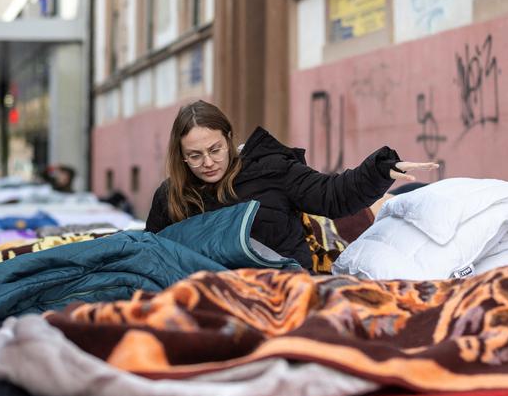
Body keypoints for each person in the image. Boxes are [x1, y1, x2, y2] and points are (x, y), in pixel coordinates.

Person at [145, 100, 438, 270]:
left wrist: (379, 170)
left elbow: (332, 195)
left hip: (287, 288)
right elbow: (151, 258)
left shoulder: (271, 168)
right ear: (181, 157)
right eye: (195, 156)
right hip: (216, 299)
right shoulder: (170, 198)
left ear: (229, 139)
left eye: (215, 150)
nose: (207, 162)